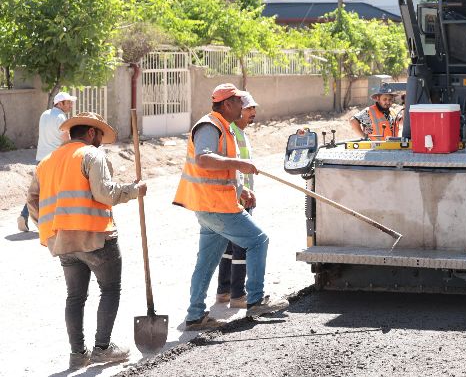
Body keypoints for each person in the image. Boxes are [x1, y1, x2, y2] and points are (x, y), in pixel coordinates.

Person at [27, 112, 147, 370]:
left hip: (61, 240)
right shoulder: (91, 155)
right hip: (95, 237)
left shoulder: (46, 162)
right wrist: (135, 190)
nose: (101, 142)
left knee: (75, 297)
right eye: (100, 136)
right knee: (110, 289)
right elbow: (105, 193)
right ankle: (102, 348)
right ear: (91, 132)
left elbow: (32, 201)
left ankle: (77, 354)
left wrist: (48, 227)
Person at [174, 83, 287, 331]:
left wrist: (240, 188)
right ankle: (256, 299)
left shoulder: (225, 127)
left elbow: (221, 170)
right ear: (227, 104)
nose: (243, 107)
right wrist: (240, 164)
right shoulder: (209, 126)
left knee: (206, 261)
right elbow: (204, 159)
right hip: (216, 205)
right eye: (239, 102)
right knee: (258, 240)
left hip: (210, 204)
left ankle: (195, 316)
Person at [216, 92, 258, 309]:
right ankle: (237, 294)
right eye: (249, 108)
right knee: (243, 245)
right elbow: (234, 170)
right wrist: (244, 193)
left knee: (229, 247)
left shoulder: (240, 133)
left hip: (240, 196)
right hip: (239, 199)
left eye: (254, 109)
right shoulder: (232, 133)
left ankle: (223, 291)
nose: (253, 113)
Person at [18, 91, 76, 232]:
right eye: (68, 102)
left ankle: (24, 215)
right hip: (54, 160)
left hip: (40, 158)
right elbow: (65, 138)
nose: (70, 105)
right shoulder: (61, 117)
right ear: (59, 103)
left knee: (38, 190)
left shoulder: (44, 114)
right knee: (54, 191)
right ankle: (54, 222)